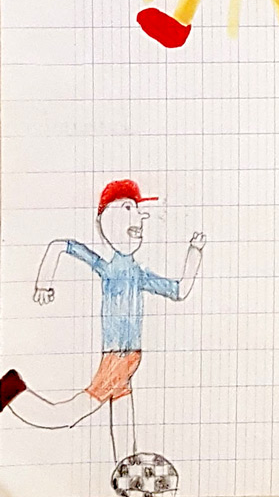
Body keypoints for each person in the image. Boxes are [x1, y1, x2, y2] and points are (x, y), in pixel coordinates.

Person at [0, 179, 206, 463]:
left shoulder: (138, 274)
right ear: (103, 220)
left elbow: (179, 290)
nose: (138, 217)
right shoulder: (108, 269)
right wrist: (43, 283)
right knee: (71, 412)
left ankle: (125, 469)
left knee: (122, 410)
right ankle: (11, 392)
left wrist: (194, 253)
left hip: (126, 358)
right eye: (127, 208)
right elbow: (61, 245)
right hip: (117, 359)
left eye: (138, 212)